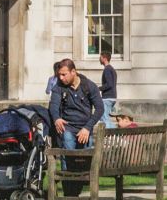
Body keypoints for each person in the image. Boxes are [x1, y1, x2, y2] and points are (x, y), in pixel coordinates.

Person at [47, 57, 106, 193]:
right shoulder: (59, 88)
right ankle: (69, 191)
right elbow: (53, 105)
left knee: (84, 160)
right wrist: (56, 119)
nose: (61, 78)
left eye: (64, 74)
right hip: (68, 127)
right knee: (67, 154)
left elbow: (100, 109)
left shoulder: (89, 86)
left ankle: (77, 189)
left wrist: (87, 127)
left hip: (85, 128)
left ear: (73, 72)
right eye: (59, 75)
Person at [97, 52, 118, 130]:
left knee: (104, 118)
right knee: (105, 118)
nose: (99, 59)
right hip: (111, 97)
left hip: (107, 98)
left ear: (104, 59)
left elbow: (109, 84)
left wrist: (98, 88)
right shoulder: (111, 69)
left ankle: (112, 137)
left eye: (100, 57)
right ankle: (115, 136)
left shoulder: (107, 69)